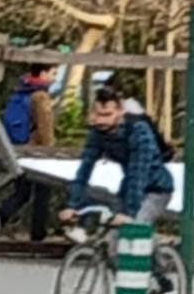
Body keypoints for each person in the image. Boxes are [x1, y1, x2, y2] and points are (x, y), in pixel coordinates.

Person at [60, 86, 175, 229]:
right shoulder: (97, 133)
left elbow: (138, 174)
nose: (101, 121)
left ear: (120, 112)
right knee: (109, 230)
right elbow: (84, 169)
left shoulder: (139, 132)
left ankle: (151, 249)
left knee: (134, 228)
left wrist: (129, 213)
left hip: (156, 189)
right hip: (128, 188)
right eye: (98, 114)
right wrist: (73, 205)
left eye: (107, 115)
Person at [0, 64, 56, 241]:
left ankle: (1, 214)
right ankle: (38, 232)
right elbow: (45, 129)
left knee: (22, 192)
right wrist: (50, 151)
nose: (54, 78)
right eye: (53, 73)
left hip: (19, 148)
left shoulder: (20, 92)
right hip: (37, 152)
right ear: (43, 73)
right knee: (43, 192)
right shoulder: (41, 96)